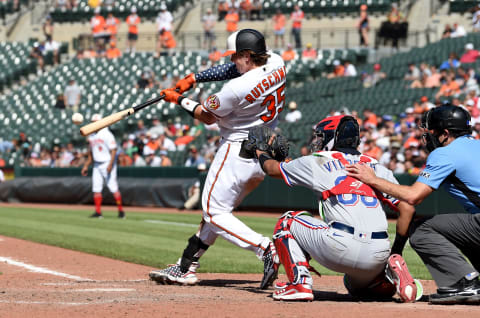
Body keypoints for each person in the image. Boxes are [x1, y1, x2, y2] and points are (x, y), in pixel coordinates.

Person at [149, 29, 285, 289]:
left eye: (236, 56)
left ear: (247, 55)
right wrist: (195, 78)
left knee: (213, 212)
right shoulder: (277, 61)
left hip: (236, 150)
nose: (232, 60)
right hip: (264, 146)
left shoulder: (234, 89)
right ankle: (185, 266)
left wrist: (179, 100)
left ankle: (265, 248)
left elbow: (207, 116)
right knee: (216, 212)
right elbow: (233, 69)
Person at [254, 115, 419, 302]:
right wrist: (395, 251)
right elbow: (407, 208)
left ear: (333, 136)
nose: (318, 141)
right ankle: (385, 278)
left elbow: (272, 169)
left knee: (287, 221)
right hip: (378, 253)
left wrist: (261, 152)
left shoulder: (317, 160)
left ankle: (298, 283)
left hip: (339, 246)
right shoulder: (377, 167)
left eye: (321, 136)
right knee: (355, 286)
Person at [347, 105, 480, 305]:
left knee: (422, 229)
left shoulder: (446, 153)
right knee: (465, 230)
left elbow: (413, 197)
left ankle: (464, 283)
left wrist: (372, 180)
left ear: (445, 133)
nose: (428, 137)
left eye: (432, 132)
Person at [81, 114, 125, 219]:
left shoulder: (107, 134)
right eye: (92, 122)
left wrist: (110, 164)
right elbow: (91, 153)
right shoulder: (91, 135)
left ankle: (121, 211)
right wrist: (86, 166)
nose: (93, 124)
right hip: (96, 164)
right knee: (96, 188)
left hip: (107, 163)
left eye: (95, 122)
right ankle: (98, 212)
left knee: (113, 187)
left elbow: (114, 150)